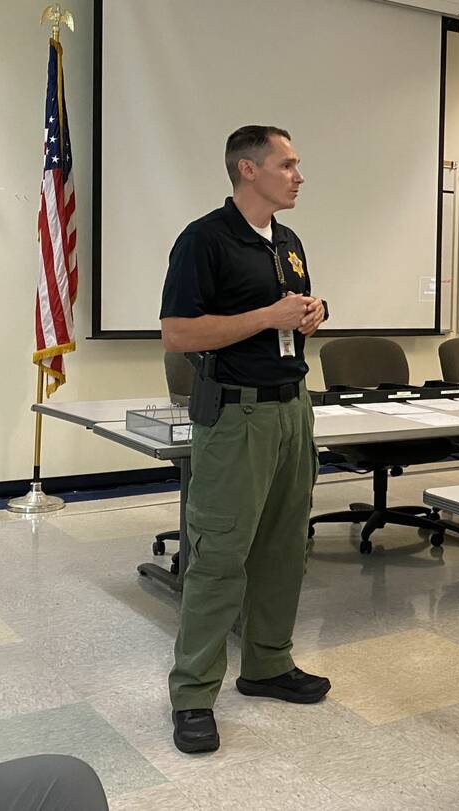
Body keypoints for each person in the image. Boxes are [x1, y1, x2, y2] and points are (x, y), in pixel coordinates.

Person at [159, 125, 330, 754]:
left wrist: (315, 313)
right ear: (248, 170)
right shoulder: (204, 240)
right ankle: (193, 694)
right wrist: (268, 317)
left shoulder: (286, 240)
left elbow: (293, 314)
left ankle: (267, 665)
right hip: (235, 418)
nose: (298, 175)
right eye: (287, 164)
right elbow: (177, 334)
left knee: (286, 546)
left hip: (292, 409)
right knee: (220, 556)